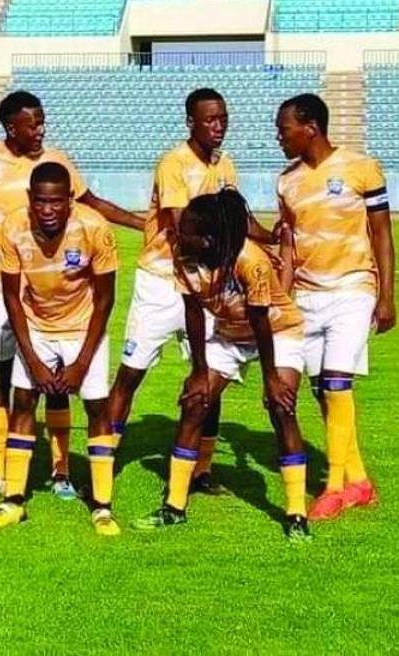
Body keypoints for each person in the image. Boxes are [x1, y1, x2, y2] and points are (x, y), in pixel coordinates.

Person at [0, 90, 143, 502]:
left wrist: (143, 224)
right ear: (10, 127)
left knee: (56, 380)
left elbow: (92, 204)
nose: (40, 130)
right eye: (32, 123)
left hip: (46, 295)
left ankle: (61, 470)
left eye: (41, 121)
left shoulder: (57, 162)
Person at [106, 88, 271, 494]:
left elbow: (236, 219)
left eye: (223, 118)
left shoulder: (225, 165)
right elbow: (185, 227)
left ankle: (201, 470)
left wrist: (273, 238)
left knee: (210, 375)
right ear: (190, 123)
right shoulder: (174, 164)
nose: (219, 126)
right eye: (210, 119)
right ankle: (103, 460)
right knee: (131, 373)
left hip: (206, 284)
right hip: (161, 281)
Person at [131, 190, 311, 541]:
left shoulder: (250, 261)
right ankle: (174, 507)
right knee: (195, 403)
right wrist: (199, 372)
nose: (178, 235)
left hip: (277, 332)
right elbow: (194, 312)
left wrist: (272, 379)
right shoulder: (183, 256)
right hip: (229, 333)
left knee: (282, 407)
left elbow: (260, 321)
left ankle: (296, 515)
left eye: (186, 231)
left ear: (209, 239)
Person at [0, 162, 120, 536]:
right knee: (23, 402)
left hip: (83, 328)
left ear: (70, 200)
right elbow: (12, 297)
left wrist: (82, 363)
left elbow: (105, 299)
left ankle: (102, 506)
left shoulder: (94, 228)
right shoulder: (13, 227)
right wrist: (33, 359)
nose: (48, 210)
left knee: (97, 408)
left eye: (56, 202)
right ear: (30, 198)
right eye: (40, 201)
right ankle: (13, 501)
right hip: (35, 325)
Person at [275, 93, 396, 520]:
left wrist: (387, 296)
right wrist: (282, 303)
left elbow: (382, 234)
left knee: (336, 383)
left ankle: (333, 488)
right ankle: (359, 481)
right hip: (307, 298)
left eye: (284, 129)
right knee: (321, 390)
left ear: (310, 127)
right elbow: (287, 248)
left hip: (353, 288)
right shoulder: (286, 182)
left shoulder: (362, 169)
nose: (279, 137)